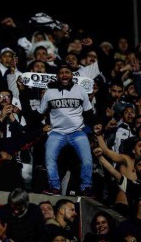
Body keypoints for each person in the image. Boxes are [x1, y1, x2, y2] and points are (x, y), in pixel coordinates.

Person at [35, 65, 94, 196]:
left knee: (87, 159)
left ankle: (86, 187)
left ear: (72, 75)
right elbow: (39, 113)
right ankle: (54, 186)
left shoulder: (80, 90)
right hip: (57, 132)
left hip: (77, 132)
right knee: (49, 159)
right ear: (57, 76)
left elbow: (89, 114)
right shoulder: (49, 92)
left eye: (67, 72)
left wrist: (90, 133)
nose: (64, 75)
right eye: (61, 72)